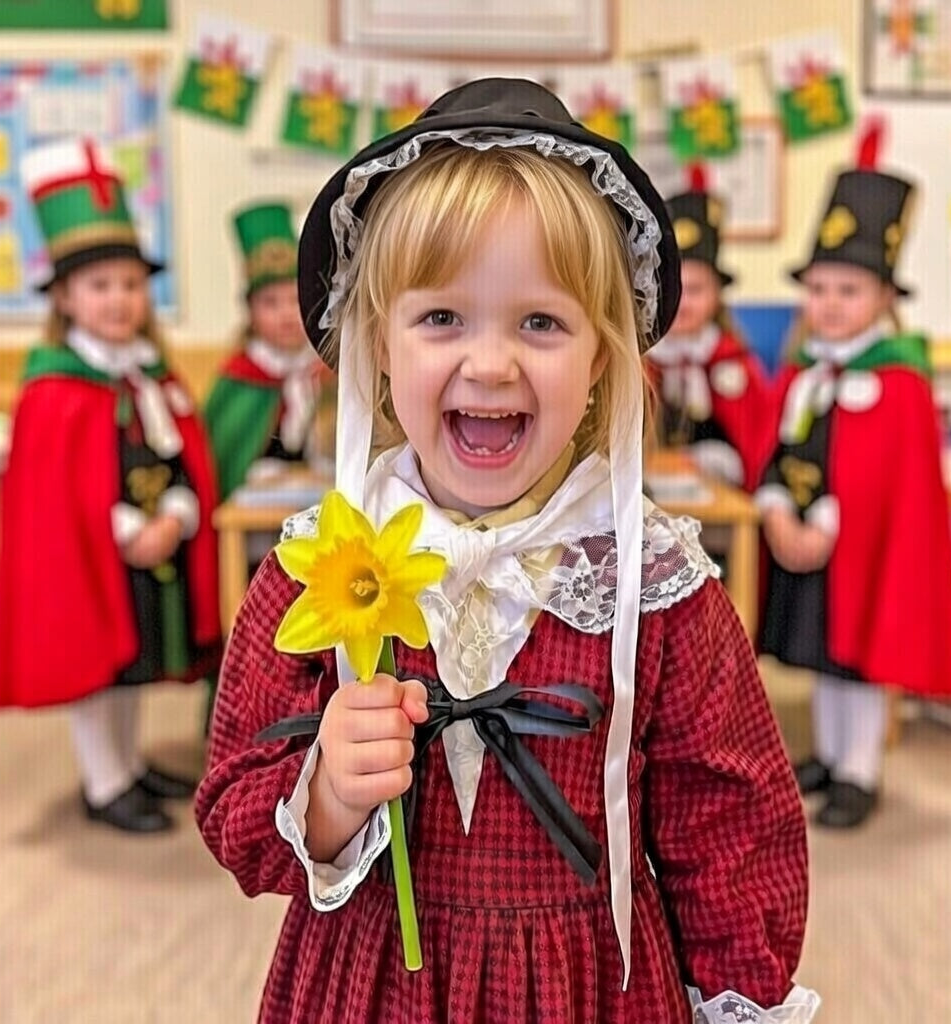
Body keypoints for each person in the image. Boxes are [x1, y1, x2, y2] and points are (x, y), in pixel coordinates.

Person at [196, 79, 818, 1023]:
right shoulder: (316, 564)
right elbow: (235, 804)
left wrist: (740, 998)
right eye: (442, 318)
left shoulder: (654, 584)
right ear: (377, 342)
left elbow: (734, 826)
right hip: (369, 983)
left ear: (604, 354)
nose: (490, 364)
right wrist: (325, 791)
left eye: (541, 322)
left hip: (589, 986)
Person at [0, 139, 221, 833]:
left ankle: (128, 763)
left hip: (157, 551)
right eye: (100, 287)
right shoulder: (55, 388)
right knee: (96, 663)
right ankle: (103, 781)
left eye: (130, 284)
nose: (119, 300)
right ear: (63, 296)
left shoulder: (151, 373)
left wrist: (176, 518)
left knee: (138, 661)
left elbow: (184, 464)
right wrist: (127, 533)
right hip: (95, 561)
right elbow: (57, 502)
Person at [756, 122, 951, 829]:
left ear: (883, 296)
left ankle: (860, 771)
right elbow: (781, 450)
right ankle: (828, 753)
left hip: (863, 558)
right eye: (818, 288)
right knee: (821, 656)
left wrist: (829, 523)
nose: (831, 303)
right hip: (810, 552)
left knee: (860, 658)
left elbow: (890, 489)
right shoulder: (805, 370)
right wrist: (781, 508)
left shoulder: (898, 380)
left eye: (848, 289)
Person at [646, 166, 772, 489]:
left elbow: (756, 449)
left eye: (698, 290)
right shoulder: (641, 360)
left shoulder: (734, 361)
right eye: (675, 289)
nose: (684, 303)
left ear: (717, 295)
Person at [204, 202, 336, 501]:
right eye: (270, 303)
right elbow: (222, 463)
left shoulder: (331, 370)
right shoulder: (239, 378)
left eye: (294, 300)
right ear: (250, 311)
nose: (286, 314)